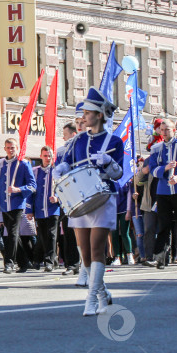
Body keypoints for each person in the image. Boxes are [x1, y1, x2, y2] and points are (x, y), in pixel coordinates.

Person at [54, 87, 123, 316]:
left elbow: (119, 174)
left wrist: (108, 163)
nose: (83, 117)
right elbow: (66, 164)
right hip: (79, 200)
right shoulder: (77, 141)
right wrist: (61, 168)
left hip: (103, 198)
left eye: (88, 113)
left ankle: (91, 299)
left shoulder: (114, 141)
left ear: (99, 115)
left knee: (96, 249)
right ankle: (103, 293)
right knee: (84, 252)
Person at [0, 138, 36, 273]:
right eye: (8, 147)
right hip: (4, 204)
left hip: (17, 203)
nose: (11, 150)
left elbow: (32, 185)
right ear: (4, 148)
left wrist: (19, 189)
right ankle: (24, 262)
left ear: (17, 148)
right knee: (13, 235)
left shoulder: (23, 164)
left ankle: (9, 263)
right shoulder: (0, 164)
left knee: (11, 233)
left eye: (13, 147)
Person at [147, 118, 177, 269]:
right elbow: (152, 169)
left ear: (173, 130)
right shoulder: (156, 148)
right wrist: (166, 168)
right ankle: (161, 258)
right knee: (163, 225)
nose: (164, 132)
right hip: (163, 192)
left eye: (167, 129)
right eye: (162, 130)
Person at [26, 146, 60, 272]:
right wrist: (29, 210)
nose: (47, 158)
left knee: (51, 235)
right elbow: (31, 192)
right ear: (41, 156)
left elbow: (63, 188)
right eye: (45, 156)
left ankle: (49, 261)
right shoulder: (35, 171)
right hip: (40, 209)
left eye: (49, 156)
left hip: (53, 209)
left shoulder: (56, 171)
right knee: (42, 236)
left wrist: (57, 198)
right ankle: (47, 259)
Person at [57, 123, 80, 276]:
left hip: (81, 193)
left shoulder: (81, 148)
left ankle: (87, 262)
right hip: (67, 195)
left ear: (73, 134)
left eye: (65, 134)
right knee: (68, 231)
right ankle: (71, 263)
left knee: (83, 230)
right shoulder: (60, 151)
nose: (63, 137)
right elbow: (58, 172)